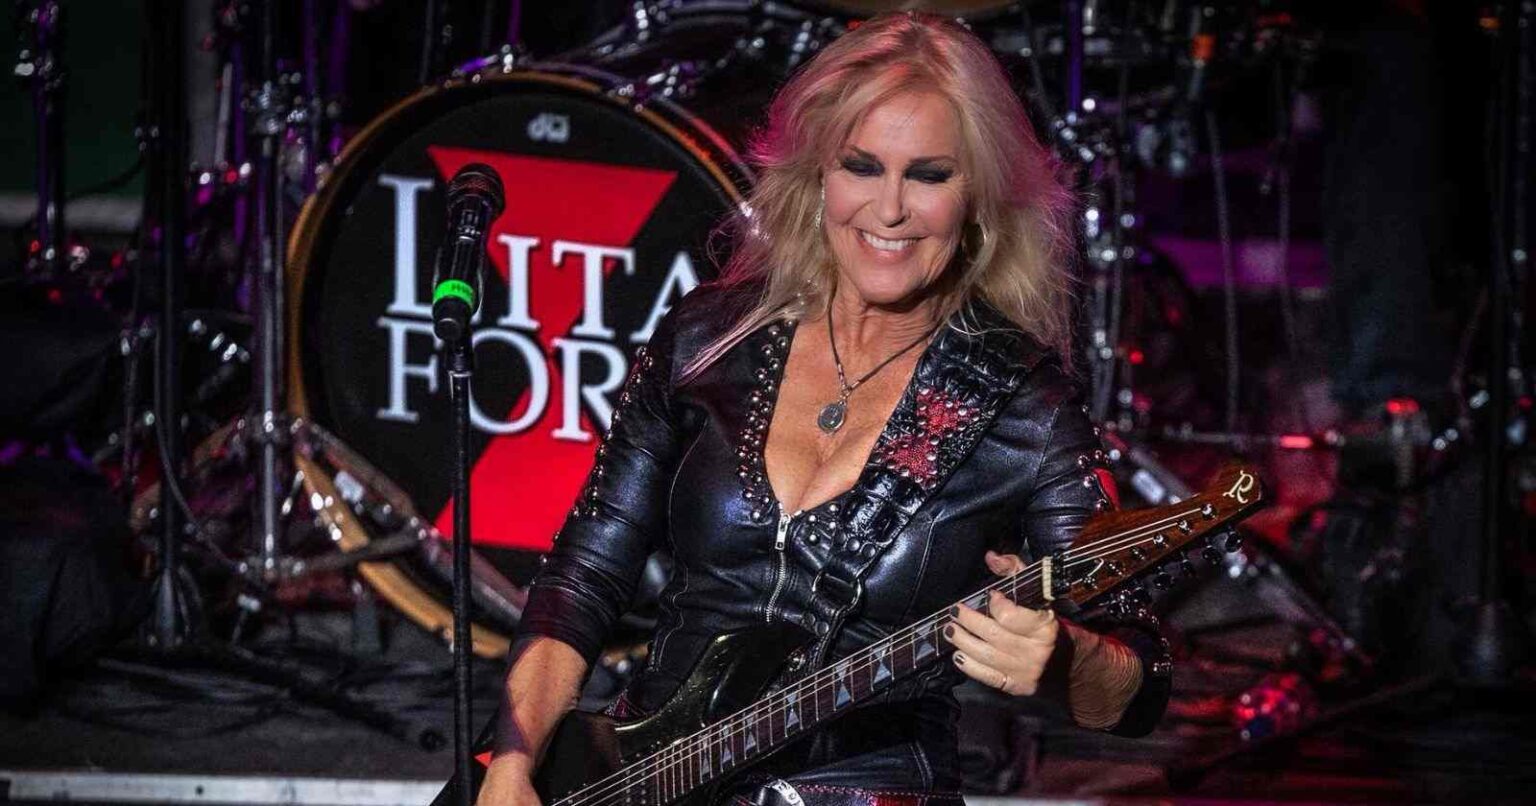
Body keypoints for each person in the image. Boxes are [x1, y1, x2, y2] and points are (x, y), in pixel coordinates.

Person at [477, 12, 1170, 805]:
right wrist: (513, 760)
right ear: (816, 174)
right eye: (861, 167)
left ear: (977, 196)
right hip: (645, 775)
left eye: (929, 176)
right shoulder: (708, 335)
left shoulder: (1025, 404)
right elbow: (585, 573)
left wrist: (1069, 659)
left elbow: (1141, 678)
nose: (889, 210)